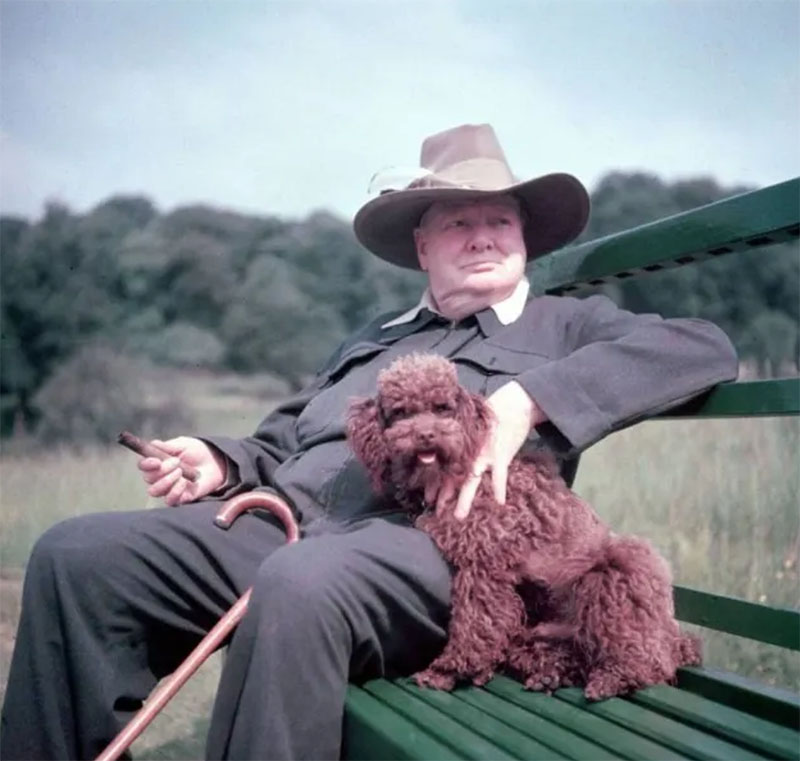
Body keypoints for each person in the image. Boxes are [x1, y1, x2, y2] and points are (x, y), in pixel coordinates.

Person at [0, 124, 738, 761]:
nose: (482, 233)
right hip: (282, 523)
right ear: (423, 246)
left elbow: (700, 347)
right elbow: (285, 437)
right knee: (75, 557)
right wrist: (220, 459)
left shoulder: (563, 326)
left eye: (500, 220)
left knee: (301, 584)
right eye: (457, 220)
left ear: (523, 237)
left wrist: (530, 398)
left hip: (430, 550)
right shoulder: (372, 339)